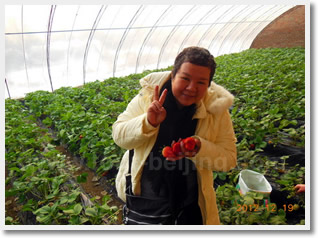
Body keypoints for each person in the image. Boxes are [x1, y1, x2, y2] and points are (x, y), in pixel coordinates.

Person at [112, 46, 237, 225]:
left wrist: (199, 148)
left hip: (191, 200)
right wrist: (148, 122)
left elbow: (229, 159)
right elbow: (119, 135)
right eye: (185, 78)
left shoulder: (216, 109)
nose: (191, 88)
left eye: (201, 82)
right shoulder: (148, 96)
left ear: (209, 85)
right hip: (147, 199)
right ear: (173, 75)